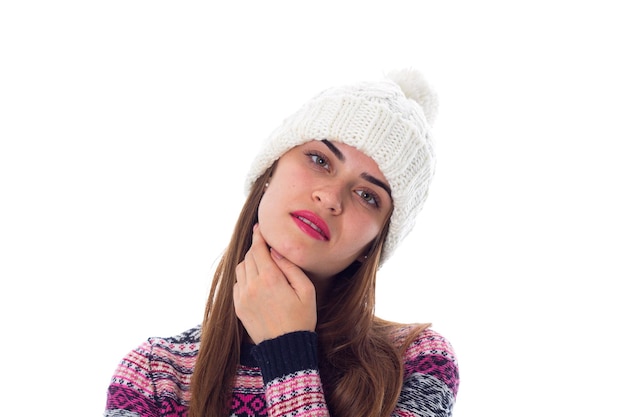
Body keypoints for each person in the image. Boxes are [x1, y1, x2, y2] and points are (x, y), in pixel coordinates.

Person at [104, 68, 459, 417]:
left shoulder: (416, 362)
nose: (331, 197)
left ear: (374, 242)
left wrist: (287, 351)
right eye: (320, 160)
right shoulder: (154, 375)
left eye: (368, 195)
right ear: (269, 171)